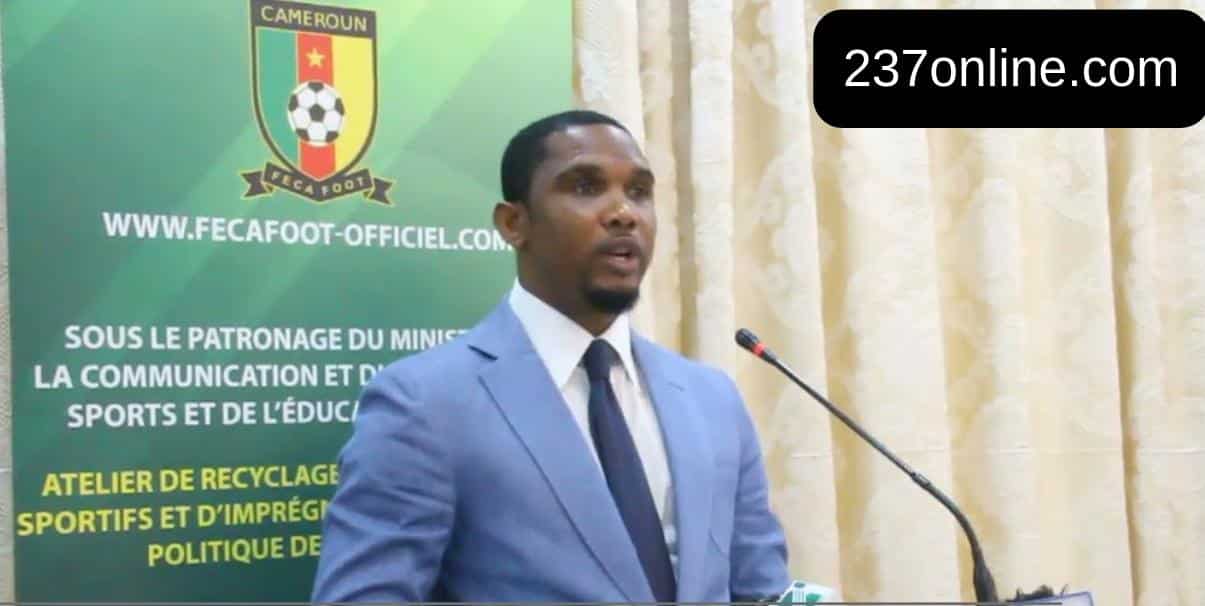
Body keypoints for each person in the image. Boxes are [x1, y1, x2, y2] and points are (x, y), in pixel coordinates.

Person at [311, 110, 790, 603]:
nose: (624, 212)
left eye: (639, 191)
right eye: (585, 187)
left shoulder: (712, 399)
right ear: (514, 223)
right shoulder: (424, 404)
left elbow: (762, 589)